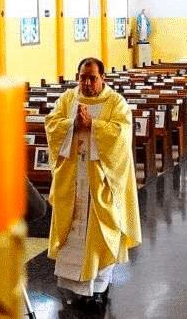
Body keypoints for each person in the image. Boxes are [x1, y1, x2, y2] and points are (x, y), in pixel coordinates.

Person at [44, 57, 141, 311]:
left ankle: (99, 287)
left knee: (100, 231)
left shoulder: (115, 103)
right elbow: (51, 124)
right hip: (72, 180)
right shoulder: (68, 99)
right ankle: (72, 287)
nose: (86, 83)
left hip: (100, 181)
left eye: (92, 78)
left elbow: (121, 135)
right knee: (72, 233)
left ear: (102, 78)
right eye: (82, 78)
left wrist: (93, 126)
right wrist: (72, 125)